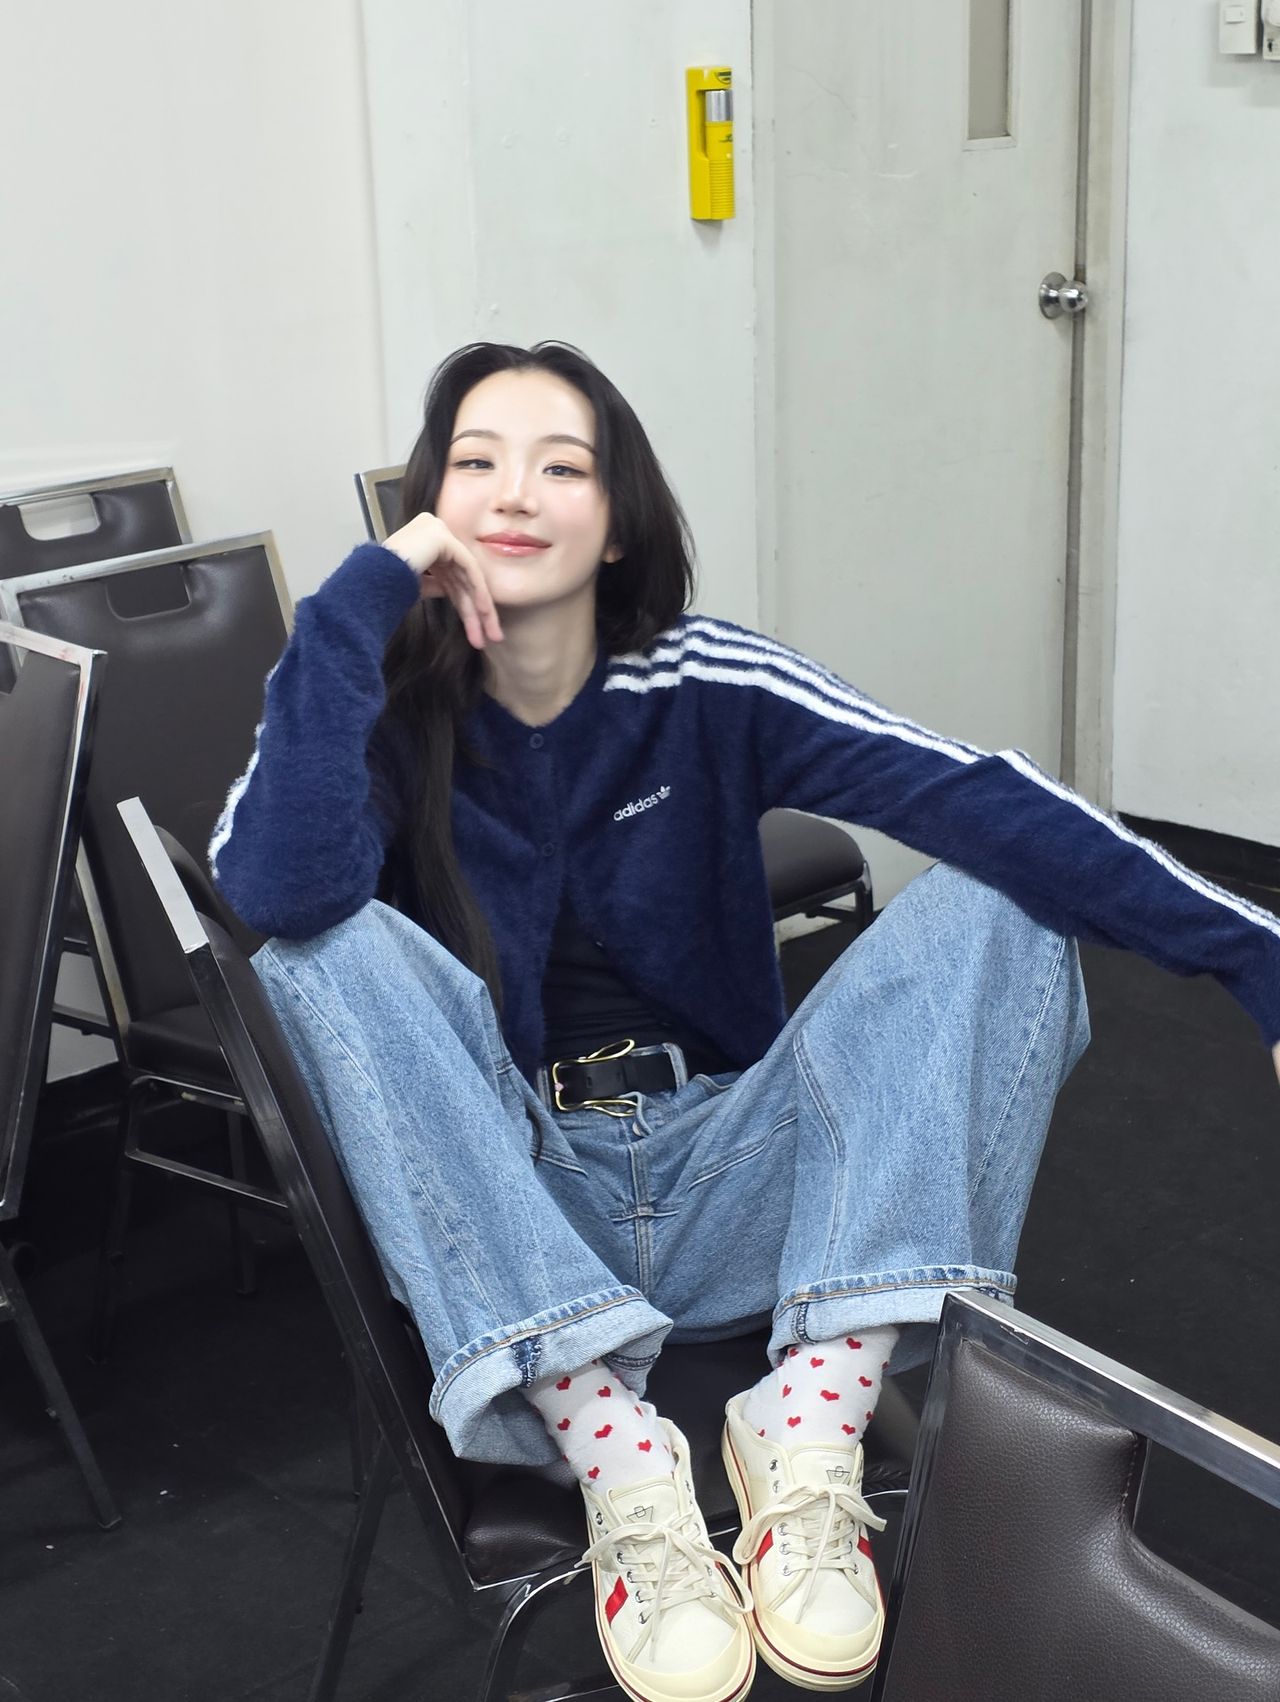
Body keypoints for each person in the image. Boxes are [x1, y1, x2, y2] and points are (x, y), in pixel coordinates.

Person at [210, 340, 1280, 1702]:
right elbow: (275, 889)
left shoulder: (709, 680)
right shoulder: (371, 699)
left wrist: (1256, 956)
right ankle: (618, 1457)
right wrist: (364, 598)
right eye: (475, 463)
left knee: (1005, 898)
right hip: (514, 1193)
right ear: (430, 504)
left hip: (735, 1169)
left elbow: (984, 795)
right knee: (326, 948)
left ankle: (809, 1418)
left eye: (562, 465)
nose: (514, 492)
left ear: (618, 521)